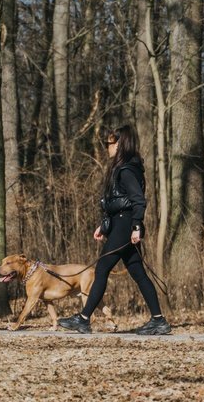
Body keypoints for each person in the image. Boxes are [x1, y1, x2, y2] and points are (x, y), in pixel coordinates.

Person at [58, 125, 170, 335]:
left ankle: (83, 319)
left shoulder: (127, 170)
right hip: (120, 223)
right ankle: (159, 320)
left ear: (119, 145)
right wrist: (104, 223)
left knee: (101, 269)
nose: (106, 147)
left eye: (109, 143)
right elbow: (118, 200)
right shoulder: (123, 167)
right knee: (138, 273)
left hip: (125, 225)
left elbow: (138, 200)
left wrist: (136, 226)